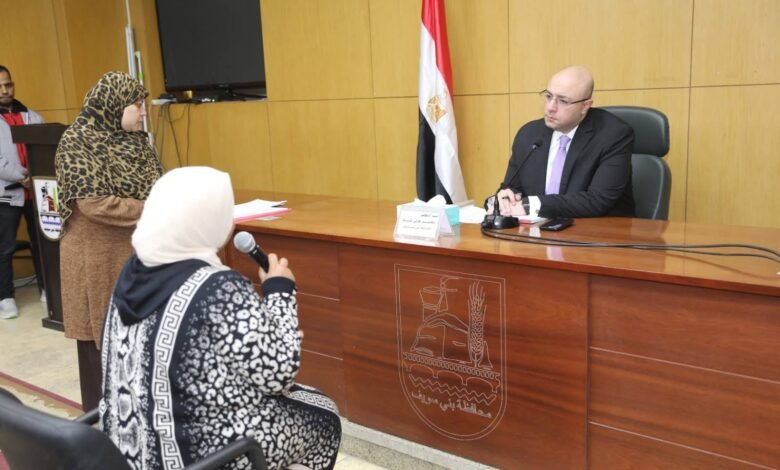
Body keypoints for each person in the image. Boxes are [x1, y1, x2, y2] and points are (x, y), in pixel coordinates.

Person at [100, 166, 342, 470]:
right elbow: (278, 375)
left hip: (127, 451)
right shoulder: (217, 287)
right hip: (198, 456)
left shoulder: (131, 273)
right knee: (324, 416)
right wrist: (279, 292)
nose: (231, 221)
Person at [55, 71, 163, 410]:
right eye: (136, 105)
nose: (143, 112)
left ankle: (142, 424)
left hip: (135, 254)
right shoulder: (78, 141)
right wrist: (155, 208)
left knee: (141, 345)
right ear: (113, 105)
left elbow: (158, 186)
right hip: (97, 261)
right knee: (103, 350)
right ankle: (103, 429)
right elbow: (94, 204)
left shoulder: (137, 141)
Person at [493, 65, 634, 219]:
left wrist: (532, 205)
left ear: (585, 106)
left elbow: (597, 200)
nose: (550, 107)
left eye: (563, 101)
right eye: (548, 96)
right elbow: (511, 187)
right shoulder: (529, 135)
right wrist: (505, 199)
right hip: (537, 230)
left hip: (597, 230)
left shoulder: (613, 135)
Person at [0, 65, 45, 319]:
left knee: (42, 242)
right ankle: (5, 297)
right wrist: (22, 176)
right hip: (6, 194)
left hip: (36, 192)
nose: (5, 90)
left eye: (8, 84)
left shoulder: (32, 116)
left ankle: (47, 288)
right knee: (4, 247)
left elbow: (45, 147)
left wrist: (34, 176)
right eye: (0, 86)